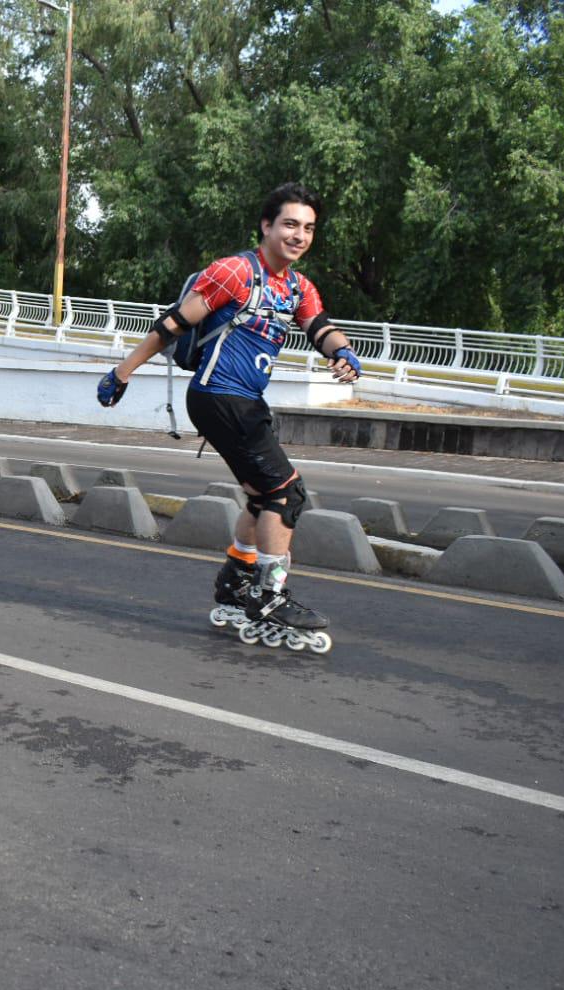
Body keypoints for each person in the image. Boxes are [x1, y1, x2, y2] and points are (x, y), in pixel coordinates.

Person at [98, 183, 360, 645]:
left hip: (245, 401)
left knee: (263, 495)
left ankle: (235, 582)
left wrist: (343, 353)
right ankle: (269, 595)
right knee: (286, 493)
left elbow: (319, 327)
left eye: (308, 228)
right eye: (290, 224)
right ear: (267, 225)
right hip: (219, 395)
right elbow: (173, 324)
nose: (299, 235)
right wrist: (122, 372)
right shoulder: (234, 272)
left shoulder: (298, 287)